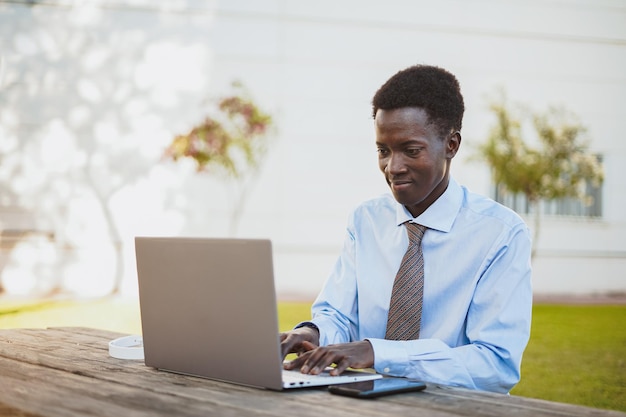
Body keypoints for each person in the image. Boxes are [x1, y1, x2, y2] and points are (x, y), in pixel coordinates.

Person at [280, 64, 533, 394]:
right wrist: (312, 333)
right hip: (360, 401)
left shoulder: (500, 234)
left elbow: (494, 364)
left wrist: (378, 352)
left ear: (452, 145)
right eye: (382, 150)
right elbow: (339, 315)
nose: (392, 167)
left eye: (411, 150)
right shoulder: (366, 220)